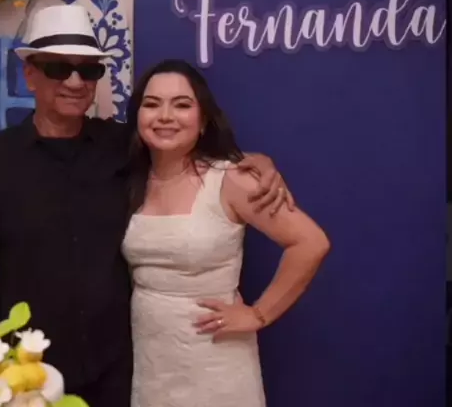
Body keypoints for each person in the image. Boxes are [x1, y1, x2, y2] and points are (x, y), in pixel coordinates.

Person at [0, 5, 294, 407]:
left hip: (116, 368)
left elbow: (184, 148)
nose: (75, 82)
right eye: (59, 68)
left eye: (89, 70)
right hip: (25, 365)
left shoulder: (125, 148)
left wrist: (256, 163)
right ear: (30, 75)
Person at [122, 58, 331, 407]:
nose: (165, 116)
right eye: (152, 104)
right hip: (152, 362)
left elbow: (310, 242)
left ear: (203, 120)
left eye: (182, 105)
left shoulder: (231, 179)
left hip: (217, 363)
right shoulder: (129, 179)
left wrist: (258, 314)